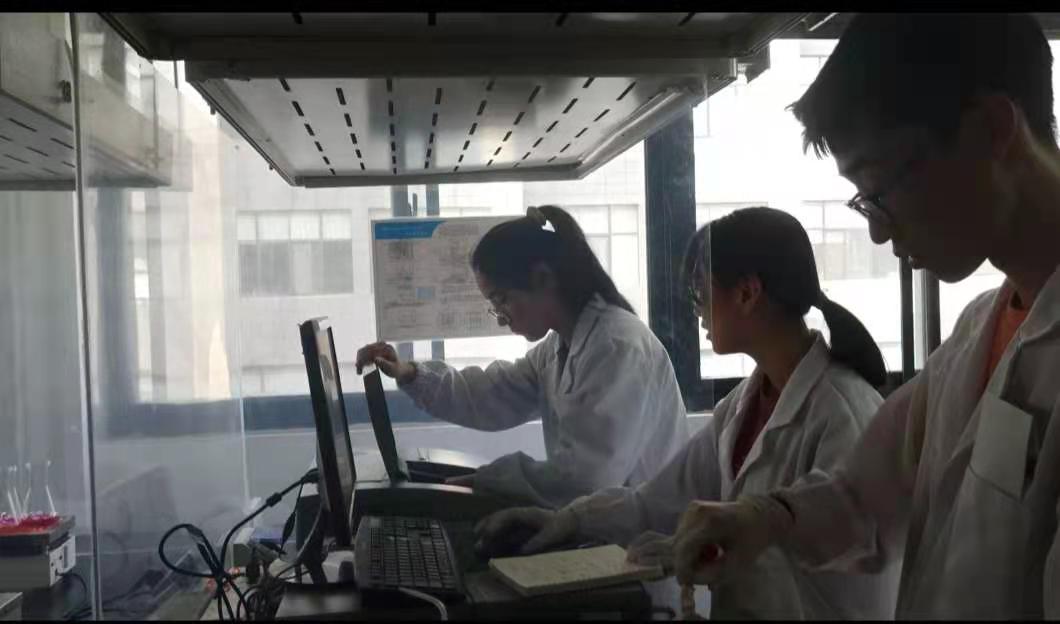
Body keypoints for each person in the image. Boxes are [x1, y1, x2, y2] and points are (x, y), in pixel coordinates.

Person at [671, 13, 1060, 620]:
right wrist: (763, 518)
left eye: (878, 191)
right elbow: (865, 499)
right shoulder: (977, 332)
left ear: (991, 130)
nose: (878, 232)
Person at [475, 207, 899, 619]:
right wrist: (567, 520)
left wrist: (713, 545)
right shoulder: (740, 406)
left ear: (747, 293)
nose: (695, 310)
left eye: (700, 292)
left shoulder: (842, 409)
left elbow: (858, 543)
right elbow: (657, 502)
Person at [355, 205, 688, 509]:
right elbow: (489, 395)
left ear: (542, 278)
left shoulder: (618, 347)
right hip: (602, 530)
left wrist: (491, 482)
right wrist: (409, 373)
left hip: (643, 545)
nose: (501, 317)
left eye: (501, 300)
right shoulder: (559, 347)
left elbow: (586, 480)